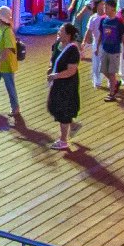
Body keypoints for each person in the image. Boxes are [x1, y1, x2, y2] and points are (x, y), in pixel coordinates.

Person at [45, 22, 83, 151]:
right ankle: (72, 125)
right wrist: (50, 68)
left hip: (67, 84)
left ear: (68, 35)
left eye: (61, 31)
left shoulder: (73, 50)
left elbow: (71, 70)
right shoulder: (57, 45)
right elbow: (53, 58)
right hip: (57, 81)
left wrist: (56, 75)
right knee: (52, 106)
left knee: (63, 109)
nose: (59, 32)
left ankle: (63, 140)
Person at [93, 0, 124, 102]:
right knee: (103, 70)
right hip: (105, 49)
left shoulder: (118, 22)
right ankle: (115, 83)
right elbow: (101, 34)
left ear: (113, 8)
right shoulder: (103, 20)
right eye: (104, 6)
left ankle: (112, 94)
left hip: (114, 50)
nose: (104, 8)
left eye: (107, 7)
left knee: (112, 72)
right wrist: (97, 46)